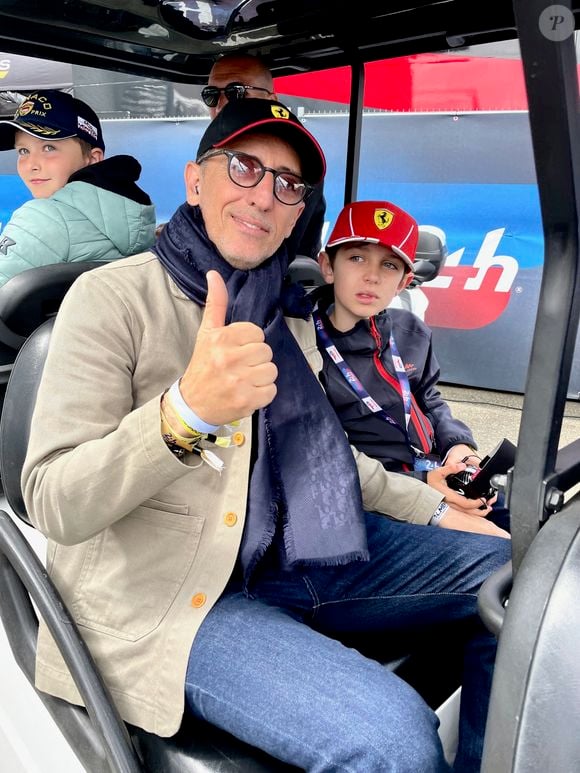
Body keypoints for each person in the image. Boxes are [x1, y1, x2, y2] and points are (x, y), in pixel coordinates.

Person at [22, 98, 510, 772]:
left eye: (288, 184)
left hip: (288, 557)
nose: (265, 196)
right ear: (196, 181)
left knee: (523, 576)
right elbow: (53, 500)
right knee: (394, 742)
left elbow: (327, 460)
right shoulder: (112, 299)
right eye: (245, 167)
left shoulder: (283, 310)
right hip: (174, 595)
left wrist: (436, 506)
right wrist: (184, 414)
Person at [314, 199, 511, 531]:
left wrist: (457, 448)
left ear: (404, 281)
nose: (372, 276)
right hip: (379, 498)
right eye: (357, 257)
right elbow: (326, 459)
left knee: (540, 533)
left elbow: (429, 398)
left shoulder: (410, 331)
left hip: (438, 473)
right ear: (328, 266)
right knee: (504, 556)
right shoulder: (306, 344)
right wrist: (424, 485)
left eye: (389, 265)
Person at [0, 89, 156, 287]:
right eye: (23, 151)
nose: (31, 165)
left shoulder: (41, 218)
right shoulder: (136, 216)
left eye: (49, 148)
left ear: (93, 159)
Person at [202, 53, 326, 261]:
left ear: (272, 100)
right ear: (193, 181)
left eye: (236, 93)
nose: (221, 105)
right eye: (212, 95)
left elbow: (272, 256)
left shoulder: (301, 160)